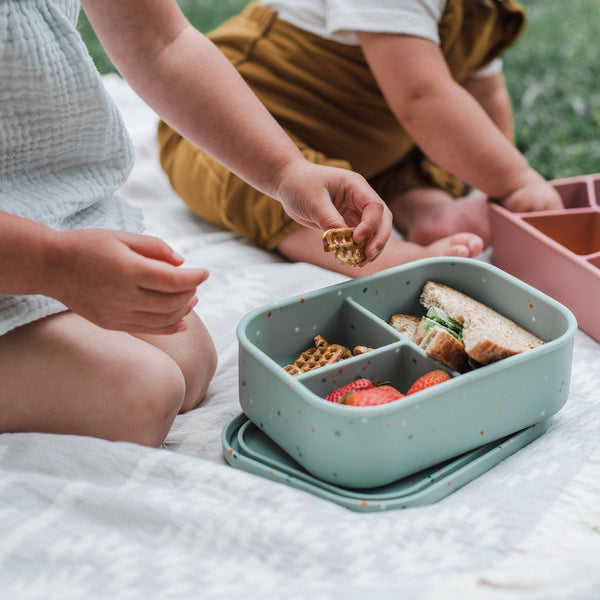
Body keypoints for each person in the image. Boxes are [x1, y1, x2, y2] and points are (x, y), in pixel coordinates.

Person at [0, 0, 394, 447]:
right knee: (141, 396)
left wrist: (286, 171)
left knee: (190, 360)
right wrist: (51, 264)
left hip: (41, 205)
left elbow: (163, 44)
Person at [158, 0, 564, 278]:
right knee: (282, 187)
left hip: (364, 143)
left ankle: (424, 209)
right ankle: (382, 256)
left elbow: (484, 92)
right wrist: (516, 180)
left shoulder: (484, 9)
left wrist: (497, 186)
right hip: (236, 130)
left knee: (415, 152)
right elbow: (421, 98)